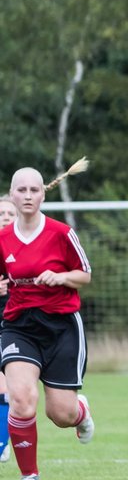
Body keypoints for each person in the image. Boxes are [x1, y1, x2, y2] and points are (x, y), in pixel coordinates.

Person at [0, 160, 97, 480]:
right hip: (19, 326)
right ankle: (29, 476)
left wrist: (61, 277)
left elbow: (85, 275)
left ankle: (80, 413)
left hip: (61, 326)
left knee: (60, 413)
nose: (28, 195)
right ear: (11, 196)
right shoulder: (2, 238)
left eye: (34, 190)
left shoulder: (62, 234)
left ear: (43, 194)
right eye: (21, 190)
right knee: (22, 399)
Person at [0, 194, 15, 463]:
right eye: (0, 213)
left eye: (9, 214)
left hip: (17, 323)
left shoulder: (27, 245)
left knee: (6, 387)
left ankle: (2, 443)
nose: (5, 218)